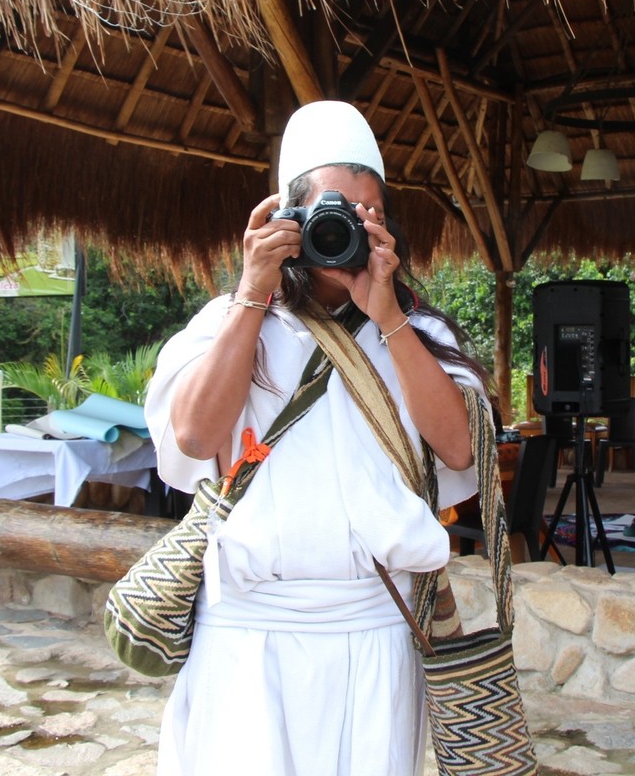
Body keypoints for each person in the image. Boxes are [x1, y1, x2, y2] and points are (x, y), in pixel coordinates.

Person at [144, 100, 492, 776]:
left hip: (376, 632)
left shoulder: (420, 335)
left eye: (368, 216)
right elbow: (192, 436)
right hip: (249, 637)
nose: (348, 230)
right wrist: (252, 293)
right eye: (332, 212)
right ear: (287, 221)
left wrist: (387, 314)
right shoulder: (231, 322)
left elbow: (460, 451)